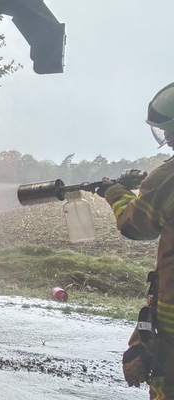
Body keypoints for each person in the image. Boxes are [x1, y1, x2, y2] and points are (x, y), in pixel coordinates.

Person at [99, 81, 174, 398]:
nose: (168, 139)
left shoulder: (168, 177)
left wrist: (113, 192)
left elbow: (135, 225)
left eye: (169, 130)